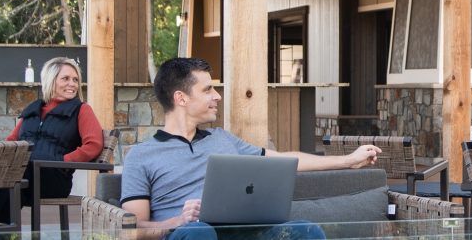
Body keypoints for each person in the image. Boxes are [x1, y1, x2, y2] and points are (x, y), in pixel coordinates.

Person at [119, 57, 381, 240]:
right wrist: (174, 223)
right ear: (181, 98)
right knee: (199, 232)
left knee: (305, 230)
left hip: (243, 231)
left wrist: (348, 160)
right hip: (188, 234)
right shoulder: (142, 156)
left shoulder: (222, 139)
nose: (217, 96)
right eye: (208, 89)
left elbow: (282, 159)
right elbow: (131, 228)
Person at [0, 57, 104, 224]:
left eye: (75, 80)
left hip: (53, 177)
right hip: (24, 176)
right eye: (66, 79)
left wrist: (64, 161)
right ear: (50, 80)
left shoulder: (82, 110)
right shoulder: (34, 110)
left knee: (8, 178)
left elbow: (94, 145)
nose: (73, 84)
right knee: (4, 182)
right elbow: (11, 141)